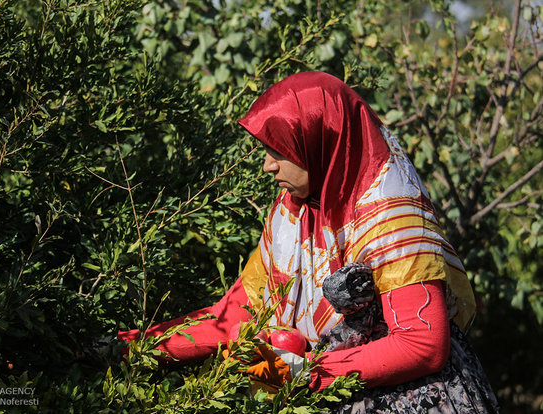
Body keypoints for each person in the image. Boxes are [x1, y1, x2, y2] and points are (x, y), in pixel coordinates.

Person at [117, 71, 499, 412]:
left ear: (321, 142)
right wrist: (131, 347)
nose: (268, 165)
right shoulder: (295, 212)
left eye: (280, 150)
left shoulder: (388, 215)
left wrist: (305, 374)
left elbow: (422, 345)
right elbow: (236, 315)